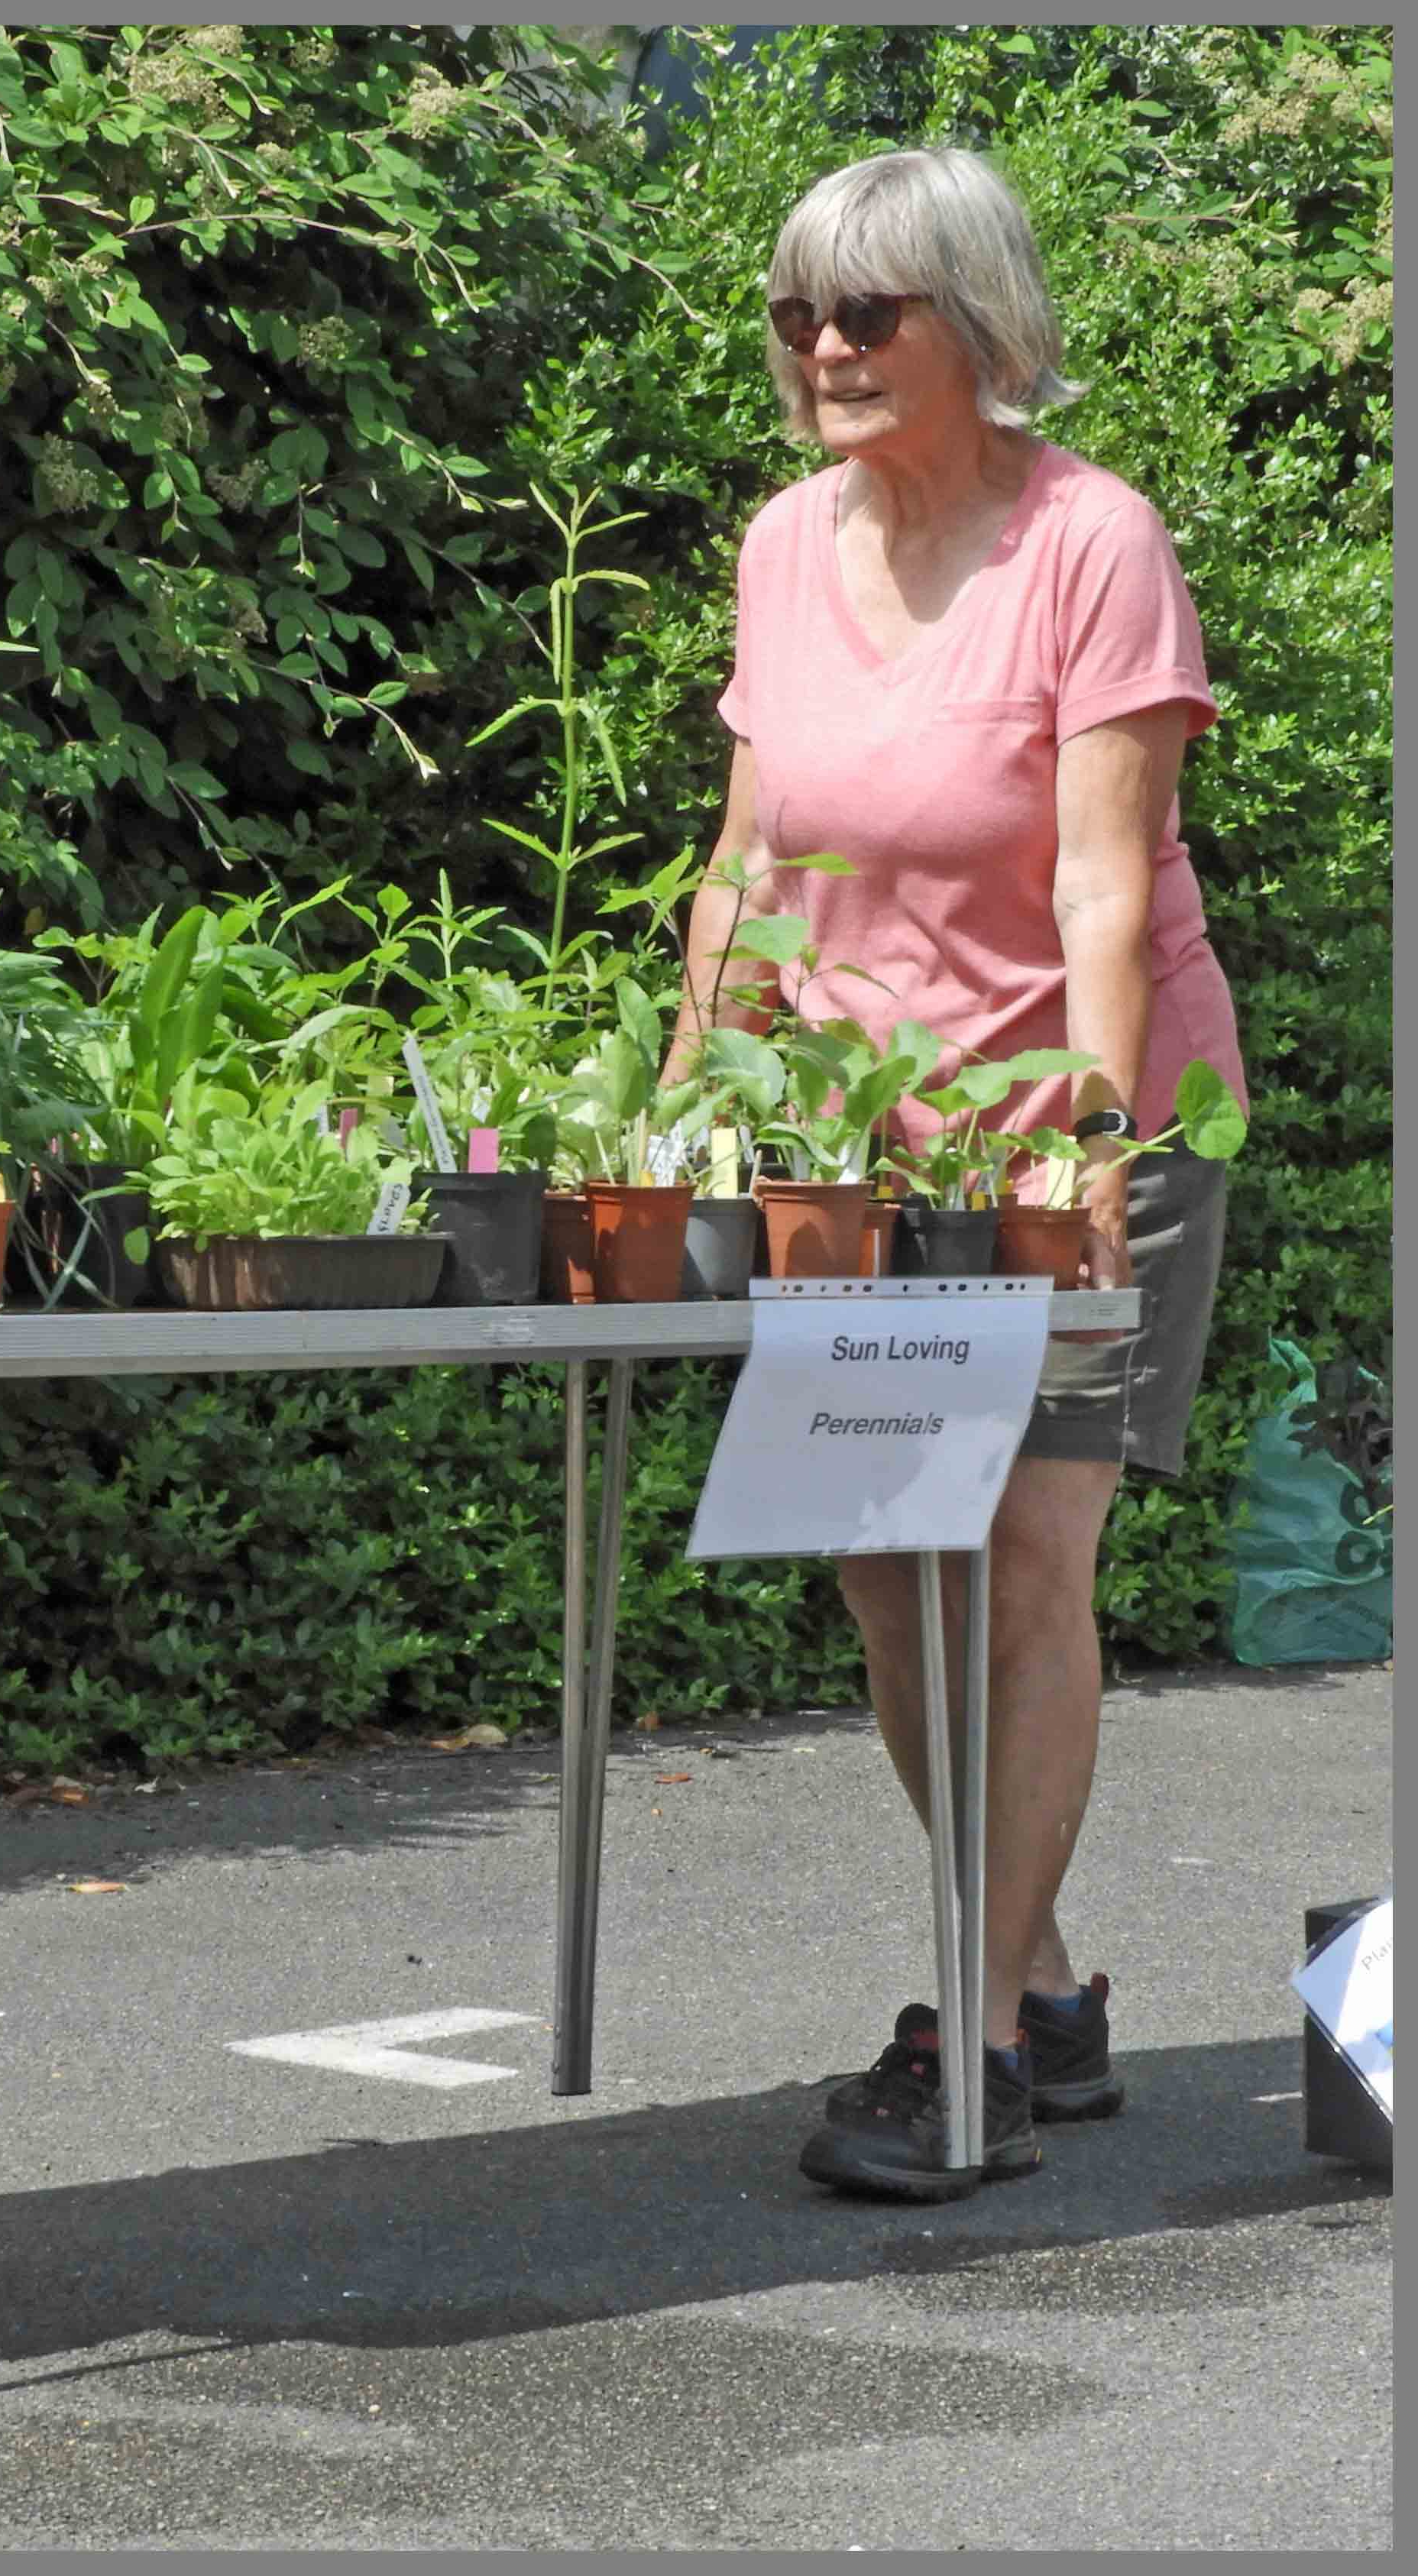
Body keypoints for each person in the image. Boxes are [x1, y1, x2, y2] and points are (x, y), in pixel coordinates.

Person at [669, 150, 1248, 2202]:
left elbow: (1102, 880)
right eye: (795, 313)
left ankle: (977, 2038)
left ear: (974, 326)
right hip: (859, 1147)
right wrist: (685, 1105)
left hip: (1084, 1126)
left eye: (866, 311)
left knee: (1019, 1554)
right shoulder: (778, 546)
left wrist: (1087, 1140)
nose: (822, 348)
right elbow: (745, 865)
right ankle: (1046, 1983)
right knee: (881, 1564)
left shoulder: (1093, 542)